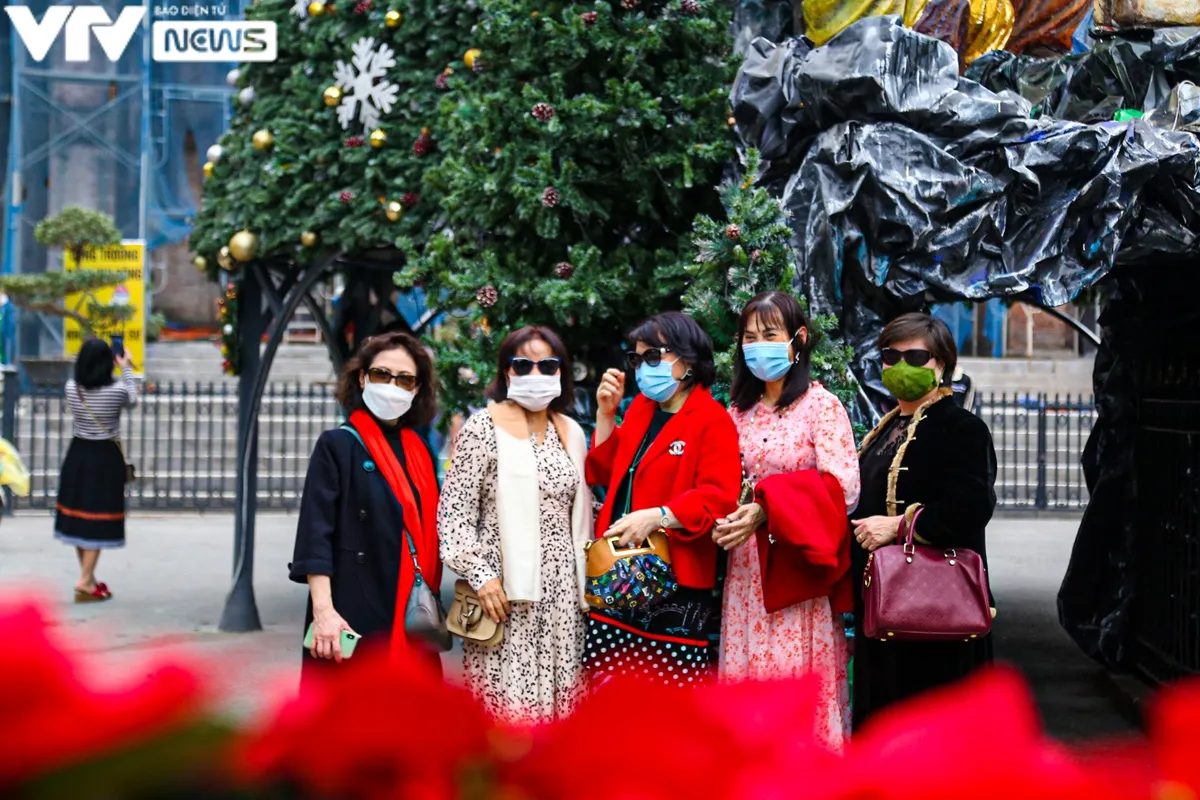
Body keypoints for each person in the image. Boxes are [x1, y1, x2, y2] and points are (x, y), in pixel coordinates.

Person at [714, 292, 860, 751]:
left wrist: (767, 508)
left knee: (795, 684)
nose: (759, 346)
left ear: (798, 340)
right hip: (744, 574)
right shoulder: (737, 412)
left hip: (796, 573)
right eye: (749, 337)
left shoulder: (822, 408)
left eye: (770, 335)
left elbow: (844, 489)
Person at [850, 312, 998, 729]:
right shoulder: (884, 429)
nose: (902, 367)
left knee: (932, 740)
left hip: (936, 614)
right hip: (882, 610)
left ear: (942, 365)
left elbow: (971, 507)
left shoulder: (961, 427)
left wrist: (899, 528)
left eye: (916, 357)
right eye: (891, 356)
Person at [439, 326, 592, 724]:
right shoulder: (482, 428)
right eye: (523, 364)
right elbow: (454, 513)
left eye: (548, 364)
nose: (536, 373)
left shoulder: (571, 432)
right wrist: (481, 576)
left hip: (562, 601)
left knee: (562, 718)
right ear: (507, 373)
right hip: (504, 598)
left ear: (561, 373)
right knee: (508, 715)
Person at [585, 311, 741, 686]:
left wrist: (659, 516)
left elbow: (718, 498)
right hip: (618, 572)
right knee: (607, 694)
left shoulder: (712, 419)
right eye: (638, 359)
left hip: (675, 581)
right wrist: (606, 417)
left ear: (686, 359)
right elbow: (607, 472)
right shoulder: (641, 407)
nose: (643, 368)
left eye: (654, 356)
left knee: (670, 702)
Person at [289, 331, 442, 683]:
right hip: (350, 611)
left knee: (410, 726)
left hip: (412, 613)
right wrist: (323, 613)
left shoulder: (420, 451)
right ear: (362, 377)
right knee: (346, 727)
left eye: (405, 379)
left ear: (416, 389)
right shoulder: (337, 446)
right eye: (381, 374)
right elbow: (315, 537)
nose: (392, 385)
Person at [55, 339, 137, 602]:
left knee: (81, 517)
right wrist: (126, 367)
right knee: (99, 518)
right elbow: (133, 398)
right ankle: (84, 579)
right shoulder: (116, 392)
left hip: (78, 454)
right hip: (105, 457)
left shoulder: (71, 388)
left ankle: (88, 579)